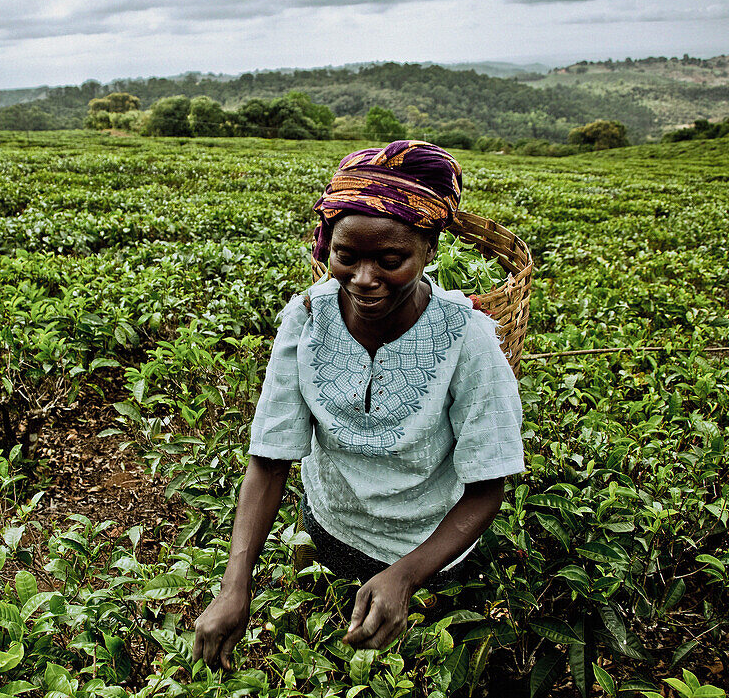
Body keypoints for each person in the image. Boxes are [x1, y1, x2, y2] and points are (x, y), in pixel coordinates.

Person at [193, 141, 524, 669]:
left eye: (391, 261)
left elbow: (487, 486)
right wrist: (236, 585)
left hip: (433, 550)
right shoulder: (306, 319)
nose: (364, 279)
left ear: (428, 252)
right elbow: (270, 459)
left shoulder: (468, 337)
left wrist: (406, 576)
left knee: (418, 677)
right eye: (346, 257)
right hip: (329, 529)